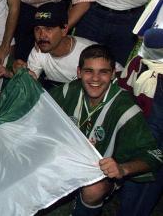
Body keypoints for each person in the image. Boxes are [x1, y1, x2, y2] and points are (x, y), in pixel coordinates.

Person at [50, 44, 162, 216]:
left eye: (103, 72)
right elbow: (37, 109)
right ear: (79, 72)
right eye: (89, 71)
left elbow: (155, 156)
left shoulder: (125, 109)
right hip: (68, 157)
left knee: (93, 190)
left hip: (101, 171)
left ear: (112, 74)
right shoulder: (68, 90)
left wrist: (122, 169)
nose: (95, 78)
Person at [117, 28, 163, 216]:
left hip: (140, 125)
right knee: (147, 172)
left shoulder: (138, 62)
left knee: (144, 171)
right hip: (143, 126)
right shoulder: (139, 64)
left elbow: (122, 89)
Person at [13, 1, 96, 90]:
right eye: (37, 29)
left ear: (64, 30)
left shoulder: (91, 54)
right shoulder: (38, 51)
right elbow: (27, 87)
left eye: (48, 29)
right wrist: (18, 73)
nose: (41, 35)